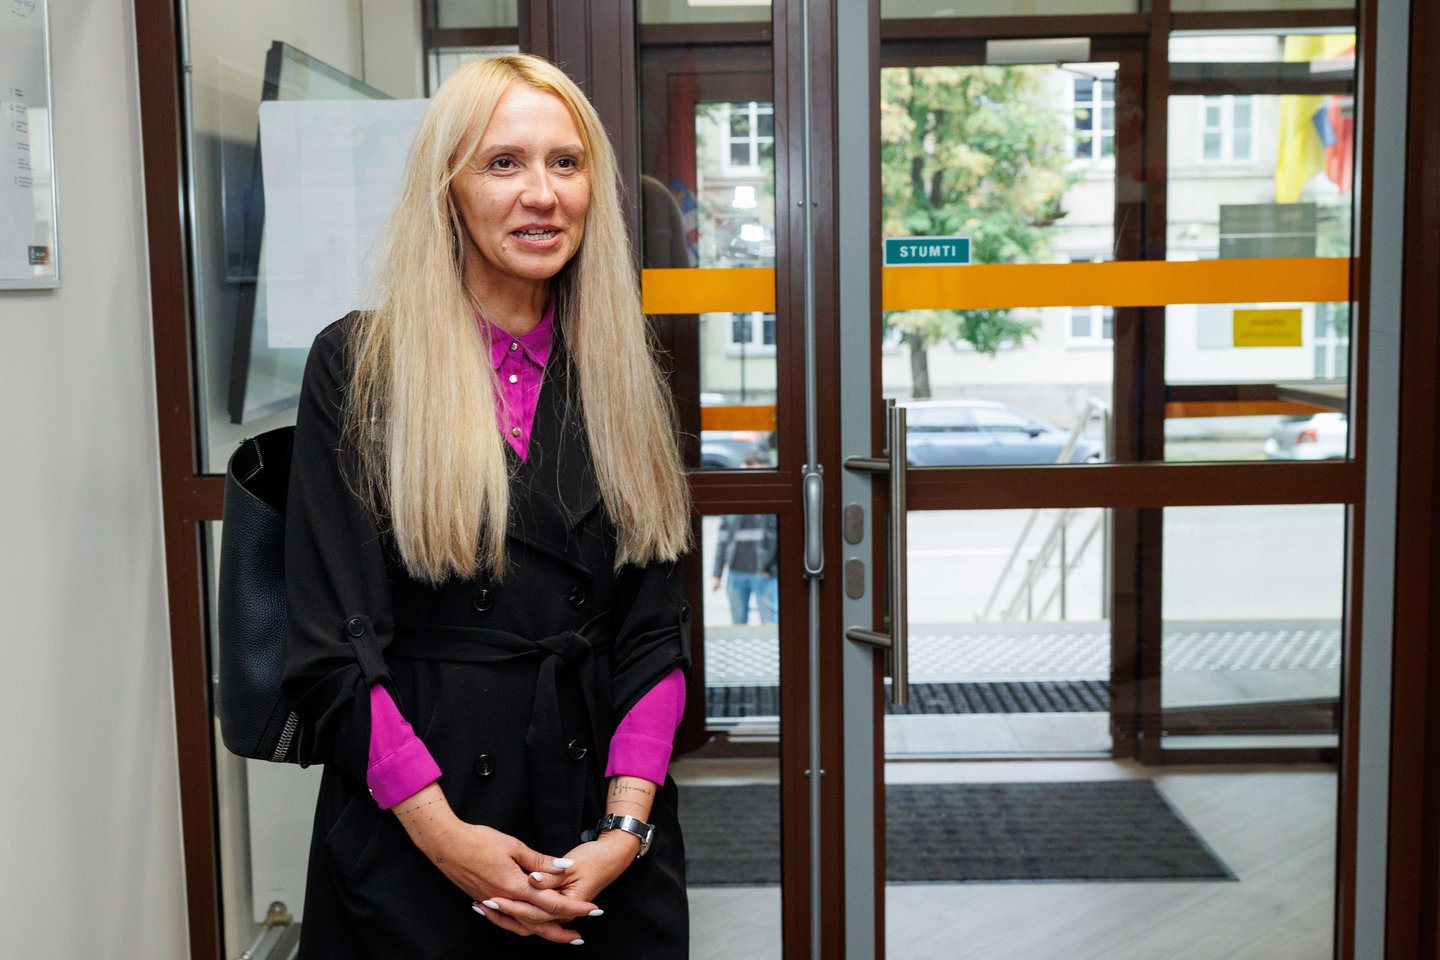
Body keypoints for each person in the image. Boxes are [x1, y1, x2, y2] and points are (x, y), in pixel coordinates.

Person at [281, 53, 693, 958]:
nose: (541, 194)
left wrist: (624, 831)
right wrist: (448, 842)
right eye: (503, 163)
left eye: (565, 163)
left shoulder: (627, 368)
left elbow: (654, 639)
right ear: (449, 189)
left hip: (598, 833)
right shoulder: (359, 367)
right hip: (414, 832)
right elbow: (333, 648)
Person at [710, 451, 779, 625]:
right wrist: (717, 574)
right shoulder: (733, 500)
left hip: (763, 573)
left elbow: (780, 539)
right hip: (736, 572)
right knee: (739, 624)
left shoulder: (773, 499)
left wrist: (771, 568)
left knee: (770, 623)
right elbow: (722, 539)